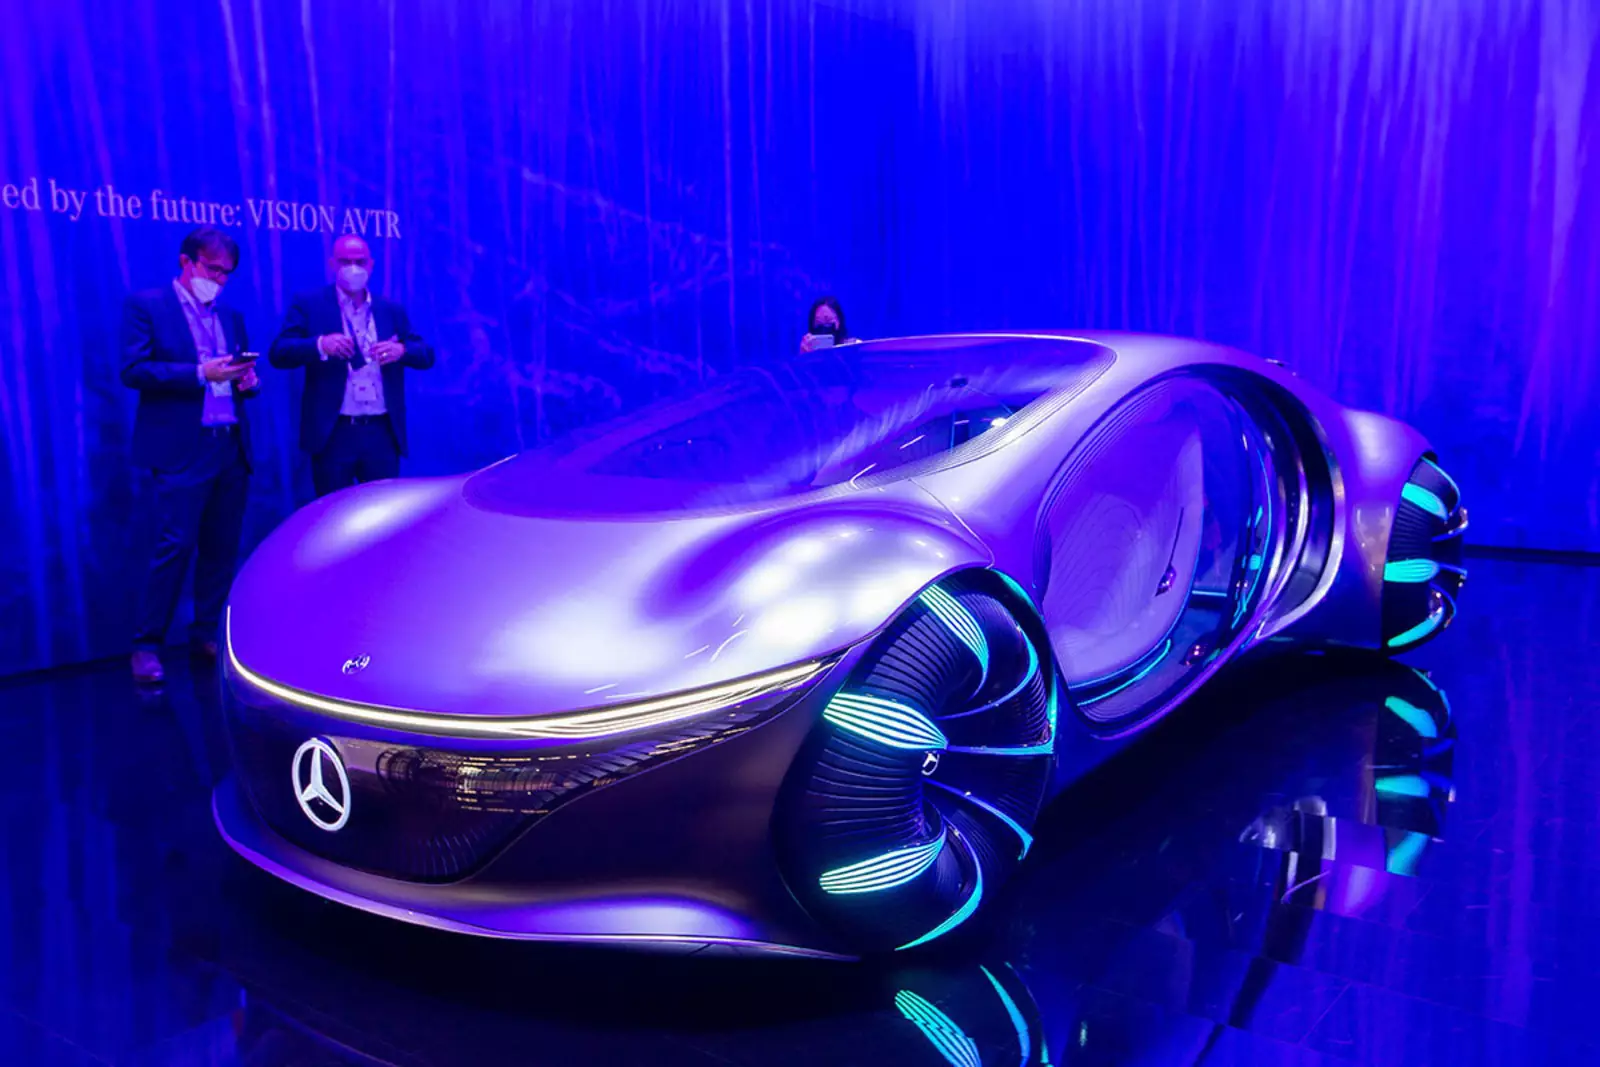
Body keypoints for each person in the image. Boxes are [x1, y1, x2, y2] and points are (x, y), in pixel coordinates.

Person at [122, 227, 260, 684]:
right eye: (212, 269)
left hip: (229, 442)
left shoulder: (231, 315)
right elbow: (134, 369)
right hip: (184, 447)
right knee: (176, 545)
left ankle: (206, 634)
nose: (218, 280)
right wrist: (201, 372)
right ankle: (146, 645)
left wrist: (247, 382)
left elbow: (238, 376)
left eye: (226, 274)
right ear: (187, 262)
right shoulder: (148, 306)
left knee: (221, 546)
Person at [269, 234, 434, 496]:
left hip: (381, 432)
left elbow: (426, 354)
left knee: (383, 510)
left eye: (360, 261)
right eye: (345, 262)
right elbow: (279, 352)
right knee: (333, 512)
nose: (353, 268)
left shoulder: (390, 309)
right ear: (332, 264)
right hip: (334, 431)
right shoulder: (309, 303)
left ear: (371, 265)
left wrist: (401, 350)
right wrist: (320, 345)